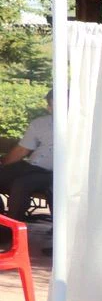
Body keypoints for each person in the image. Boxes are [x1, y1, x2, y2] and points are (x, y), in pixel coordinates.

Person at [0, 89, 53, 221]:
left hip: (54, 173)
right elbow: (21, 150)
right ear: (49, 108)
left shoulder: (83, 126)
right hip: (31, 166)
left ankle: (12, 230)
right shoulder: (39, 123)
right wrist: (3, 164)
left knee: (21, 184)